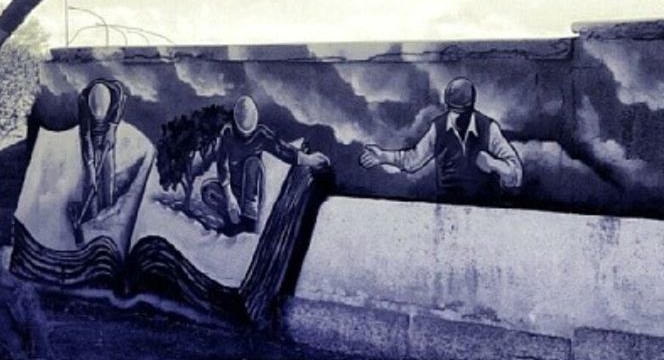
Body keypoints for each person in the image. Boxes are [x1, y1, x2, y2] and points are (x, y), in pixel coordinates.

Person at [359, 77, 522, 203]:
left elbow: (516, 176)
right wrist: (384, 157)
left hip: (486, 210)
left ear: (472, 106)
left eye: (463, 112)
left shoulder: (489, 128)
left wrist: (495, 165)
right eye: (453, 111)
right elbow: (413, 160)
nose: (457, 118)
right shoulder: (438, 127)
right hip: (447, 209)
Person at [200, 95, 329, 235]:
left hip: (251, 188)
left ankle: (249, 220)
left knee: (252, 163)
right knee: (208, 190)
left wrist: (308, 160)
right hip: (234, 189)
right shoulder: (228, 134)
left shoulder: (261, 135)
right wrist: (230, 198)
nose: (245, 137)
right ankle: (232, 219)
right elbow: (222, 166)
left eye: (248, 133)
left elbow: (283, 150)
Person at [76, 78, 125, 220]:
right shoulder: (84, 101)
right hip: (91, 137)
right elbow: (85, 136)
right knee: (90, 180)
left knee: (107, 173)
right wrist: (90, 164)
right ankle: (90, 213)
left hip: (107, 135)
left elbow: (118, 112)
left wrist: (112, 128)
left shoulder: (116, 93)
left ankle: (107, 209)